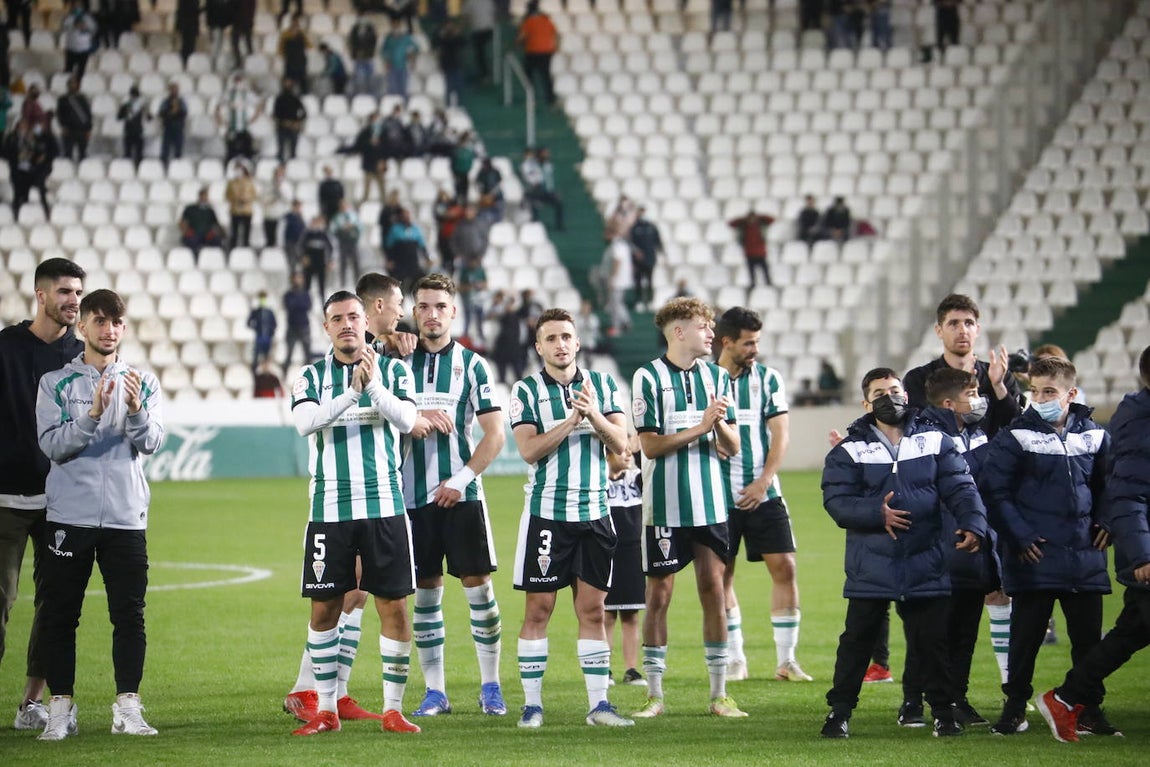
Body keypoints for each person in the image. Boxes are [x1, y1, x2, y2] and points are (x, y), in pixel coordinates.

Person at [818, 367, 987, 739]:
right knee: (857, 643)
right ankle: (840, 712)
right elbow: (836, 501)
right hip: (871, 564)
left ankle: (943, 713)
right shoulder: (850, 449)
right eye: (880, 392)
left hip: (925, 558)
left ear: (906, 395)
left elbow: (961, 487)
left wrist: (973, 522)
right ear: (866, 403)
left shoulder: (936, 440)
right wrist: (875, 513)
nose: (889, 397)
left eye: (894, 390)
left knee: (932, 642)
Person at [288, 289, 421, 736]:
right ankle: (326, 709)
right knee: (325, 610)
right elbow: (306, 422)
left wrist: (374, 387)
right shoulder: (309, 377)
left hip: (385, 507)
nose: (346, 324)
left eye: (353, 317)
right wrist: (351, 394)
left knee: (394, 608)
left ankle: (393, 710)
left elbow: (406, 420)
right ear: (326, 327)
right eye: (337, 319)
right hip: (329, 509)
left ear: (367, 322)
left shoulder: (396, 372)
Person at [35, 288, 164, 741]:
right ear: (83, 327)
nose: (109, 330)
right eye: (100, 321)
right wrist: (90, 416)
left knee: (129, 614)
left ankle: (127, 704)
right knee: (60, 614)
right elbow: (52, 446)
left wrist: (134, 411)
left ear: (123, 329)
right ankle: (61, 707)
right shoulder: (56, 383)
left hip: (127, 519)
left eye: (116, 322)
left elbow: (152, 443)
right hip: (70, 517)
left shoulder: (144, 382)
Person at [509, 308, 633, 728]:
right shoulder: (525, 390)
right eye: (552, 338)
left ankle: (599, 706)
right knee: (539, 609)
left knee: (593, 610)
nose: (560, 344)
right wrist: (571, 420)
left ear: (577, 343)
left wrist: (593, 415)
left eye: (567, 336)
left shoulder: (602, 385)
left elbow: (623, 445)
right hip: (547, 514)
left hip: (596, 512)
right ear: (539, 347)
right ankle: (532, 706)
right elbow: (529, 450)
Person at [980, 356, 1112, 736]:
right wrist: (1019, 536)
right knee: (1025, 641)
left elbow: (1112, 487)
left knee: (1089, 644)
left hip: (1085, 555)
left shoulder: (1095, 435)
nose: (1040, 398)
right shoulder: (1015, 435)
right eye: (1034, 391)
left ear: (1070, 394)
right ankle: (1015, 707)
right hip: (1034, 556)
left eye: (1049, 391)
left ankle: (1088, 710)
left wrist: (1106, 521)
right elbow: (994, 491)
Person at [630, 297, 746, 720]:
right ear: (678, 331)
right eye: (703, 326)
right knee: (658, 595)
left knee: (713, 591)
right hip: (663, 507)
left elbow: (732, 447)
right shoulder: (647, 377)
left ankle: (719, 695)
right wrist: (700, 425)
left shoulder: (717, 377)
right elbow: (650, 445)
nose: (711, 334)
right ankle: (655, 695)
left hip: (711, 504)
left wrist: (718, 426)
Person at [399, 274, 509, 718]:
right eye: (423, 306)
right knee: (426, 593)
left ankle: (491, 686)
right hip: (410, 499)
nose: (431, 314)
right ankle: (435, 691)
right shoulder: (395, 363)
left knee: (479, 589)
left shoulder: (474, 365)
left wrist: (461, 479)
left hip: (461, 496)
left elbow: (496, 434)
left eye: (439, 306)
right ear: (414, 312)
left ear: (453, 312)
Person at [1037, 345, 1150, 742]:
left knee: (1131, 632)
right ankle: (1065, 700)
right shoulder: (1140, 421)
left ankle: (1065, 700)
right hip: (1146, 553)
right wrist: (1141, 554)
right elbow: (1129, 493)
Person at [1, 258, 86, 733]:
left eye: (78, 292)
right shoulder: (7, 347)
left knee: (55, 608)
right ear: (40, 294)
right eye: (65, 292)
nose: (73, 300)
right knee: (3, 603)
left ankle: (30, 704)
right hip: (6, 500)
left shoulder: (81, 356)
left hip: (61, 504)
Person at [714, 308, 812, 684]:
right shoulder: (705, 379)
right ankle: (736, 659)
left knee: (785, 566)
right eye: (749, 342)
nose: (756, 348)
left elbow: (780, 435)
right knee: (721, 576)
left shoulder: (768, 379)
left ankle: (786, 660)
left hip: (764, 493)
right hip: (718, 497)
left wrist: (763, 482)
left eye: (757, 341)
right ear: (727, 342)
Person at [900, 367, 1000, 728]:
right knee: (929, 631)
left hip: (973, 549)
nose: (978, 402)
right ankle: (912, 699)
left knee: (964, 632)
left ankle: (957, 697)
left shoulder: (978, 435)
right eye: (972, 395)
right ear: (947, 403)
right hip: (936, 547)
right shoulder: (922, 437)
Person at [604, 435, 646, 688]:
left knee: (631, 614)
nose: (627, 456)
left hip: (633, 553)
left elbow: (650, 471)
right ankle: (604, 668)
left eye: (629, 452)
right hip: (608, 552)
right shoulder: (599, 481)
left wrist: (638, 450)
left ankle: (631, 668)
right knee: (606, 615)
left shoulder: (636, 478)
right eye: (622, 452)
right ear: (608, 455)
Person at [517, 0, 558, 107]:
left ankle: (531, 97)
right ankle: (551, 100)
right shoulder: (546, 19)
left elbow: (522, 37)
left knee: (528, 73)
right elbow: (555, 33)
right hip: (547, 51)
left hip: (534, 51)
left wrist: (517, 43)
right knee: (546, 76)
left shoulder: (528, 21)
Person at [728, 208, 776, 289]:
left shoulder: (760, 224)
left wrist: (760, 217)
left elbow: (772, 219)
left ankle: (768, 283)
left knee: (765, 270)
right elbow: (731, 224)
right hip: (749, 252)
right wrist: (743, 219)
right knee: (751, 271)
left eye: (753, 218)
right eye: (750, 218)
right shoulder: (744, 225)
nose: (752, 220)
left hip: (760, 252)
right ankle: (753, 284)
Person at [384, 208, 429, 293]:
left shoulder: (415, 229)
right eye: (404, 215)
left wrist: (427, 257)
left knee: (420, 282)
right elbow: (389, 246)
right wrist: (389, 260)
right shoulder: (395, 229)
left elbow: (421, 245)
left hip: (413, 261)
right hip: (400, 261)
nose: (406, 217)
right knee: (399, 285)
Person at [520, 147, 564, 230]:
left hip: (543, 190)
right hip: (532, 191)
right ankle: (535, 224)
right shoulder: (528, 165)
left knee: (558, 203)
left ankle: (559, 225)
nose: (547, 155)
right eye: (545, 153)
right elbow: (530, 179)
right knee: (534, 203)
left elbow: (548, 180)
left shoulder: (547, 165)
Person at [629, 207, 662, 313]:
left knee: (649, 281)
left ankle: (649, 301)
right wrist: (636, 252)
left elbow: (658, 242)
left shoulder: (652, 227)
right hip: (637, 261)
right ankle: (638, 301)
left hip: (650, 259)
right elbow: (630, 243)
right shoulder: (634, 228)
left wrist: (662, 254)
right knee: (638, 281)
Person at [178, 187, 226, 260]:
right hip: (194, 234)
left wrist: (222, 233)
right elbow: (182, 222)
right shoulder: (190, 209)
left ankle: (215, 260)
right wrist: (186, 231)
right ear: (199, 197)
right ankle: (194, 261)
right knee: (191, 242)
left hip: (207, 235)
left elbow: (216, 224)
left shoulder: (210, 211)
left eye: (205, 196)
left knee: (218, 241)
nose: (204, 198)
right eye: (202, 196)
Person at [56, 76, 92, 163]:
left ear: (77, 85)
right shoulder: (63, 99)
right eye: (71, 83)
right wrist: (63, 126)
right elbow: (60, 114)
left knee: (83, 153)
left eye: (74, 83)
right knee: (67, 154)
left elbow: (88, 114)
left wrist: (88, 129)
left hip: (82, 130)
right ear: (67, 85)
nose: (72, 85)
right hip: (69, 130)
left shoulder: (82, 98)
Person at [329, 200, 365, 288]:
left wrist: (353, 229)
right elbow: (332, 229)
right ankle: (343, 283)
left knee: (356, 262)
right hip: (343, 241)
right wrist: (342, 229)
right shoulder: (336, 217)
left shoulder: (353, 215)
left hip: (352, 241)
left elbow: (360, 226)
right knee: (343, 263)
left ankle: (357, 282)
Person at [282, 272, 313, 373]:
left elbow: (307, 307)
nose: (297, 281)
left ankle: (310, 376)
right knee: (289, 354)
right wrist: (298, 304)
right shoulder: (288, 295)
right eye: (295, 278)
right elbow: (289, 307)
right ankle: (284, 375)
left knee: (307, 354)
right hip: (292, 327)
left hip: (304, 327)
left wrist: (296, 304)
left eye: (299, 278)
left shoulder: (305, 294)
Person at [60, 0, 98, 82]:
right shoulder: (69, 17)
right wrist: (73, 25)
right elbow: (63, 26)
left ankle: (78, 87)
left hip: (84, 49)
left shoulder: (88, 17)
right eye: (75, 5)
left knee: (81, 72)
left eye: (79, 5)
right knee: (68, 72)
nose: (77, 7)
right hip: (71, 49)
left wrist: (85, 27)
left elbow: (94, 29)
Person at [380, 20, 418, 100]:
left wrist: (411, 57)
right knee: (392, 90)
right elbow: (383, 51)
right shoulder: (388, 38)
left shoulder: (406, 38)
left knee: (402, 90)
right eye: (394, 27)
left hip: (403, 67)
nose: (396, 29)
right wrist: (387, 59)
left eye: (397, 27)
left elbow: (416, 48)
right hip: (391, 68)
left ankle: (402, 107)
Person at [300, 216, 334, 304]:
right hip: (309, 263)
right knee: (307, 284)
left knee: (321, 284)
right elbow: (300, 246)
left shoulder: (323, 234)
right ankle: (305, 301)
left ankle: (323, 301)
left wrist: (330, 261)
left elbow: (330, 247)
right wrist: (303, 257)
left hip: (320, 262)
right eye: (314, 222)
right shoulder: (307, 234)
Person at [603, 234, 632, 335]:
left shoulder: (617, 246)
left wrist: (613, 278)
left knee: (615, 304)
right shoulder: (623, 245)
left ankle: (618, 325)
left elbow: (617, 261)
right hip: (622, 280)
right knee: (617, 303)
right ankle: (624, 323)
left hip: (618, 281)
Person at [273, 78, 307, 163]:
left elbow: (304, 112)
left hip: (293, 127)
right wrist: (284, 122)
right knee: (281, 151)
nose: (287, 85)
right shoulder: (279, 99)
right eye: (286, 83)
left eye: (289, 83)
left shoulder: (295, 98)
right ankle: (280, 165)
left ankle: (292, 165)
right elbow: (275, 114)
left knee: (293, 151)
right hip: (282, 126)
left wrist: (297, 122)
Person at [117, 85, 151, 169]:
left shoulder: (141, 106)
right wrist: (125, 112)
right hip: (129, 131)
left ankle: (138, 169)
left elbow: (149, 118)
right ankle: (127, 170)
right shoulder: (126, 106)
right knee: (127, 154)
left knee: (139, 154)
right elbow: (119, 116)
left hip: (137, 131)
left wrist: (145, 110)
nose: (134, 97)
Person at [225, 163, 257, 251]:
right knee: (234, 231)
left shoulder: (249, 182)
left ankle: (246, 247)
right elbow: (227, 196)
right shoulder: (231, 183)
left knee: (246, 232)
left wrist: (246, 199)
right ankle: (233, 248)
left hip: (247, 210)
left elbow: (254, 195)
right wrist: (235, 199)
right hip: (235, 210)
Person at [157, 81, 188, 169]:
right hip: (168, 128)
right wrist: (170, 113)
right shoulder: (166, 102)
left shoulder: (181, 102)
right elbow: (161, 113)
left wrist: (177, 112)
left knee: (178, 149)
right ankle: (163, 166)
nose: (174, 91)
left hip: (178, 128)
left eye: (176, 89)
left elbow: (185, 113)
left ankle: (177, 167)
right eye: (173, 89)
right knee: (165, 149)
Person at [463, 0, 496, 82]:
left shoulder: (470, 2)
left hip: (479, 30)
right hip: (488, 30)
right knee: (481, 53)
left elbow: (465, 16)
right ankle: (485, 74)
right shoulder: (488, 1)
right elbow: (493, 13)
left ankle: (484, 74)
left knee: (480, 53)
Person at [278, 14, 311, 93]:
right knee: (288, 80)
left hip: (300, 61)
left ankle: (304, 94)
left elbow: (309, 45)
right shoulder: (285, 34)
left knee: (302, 80)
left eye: (296, 23)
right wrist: (284, 55)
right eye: (294, 23)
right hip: (290, 61)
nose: (295, 25)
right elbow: (281, 48)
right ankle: (287, 94)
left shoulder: (301, 34)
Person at [348, 12, 379, 97]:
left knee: (371, 78)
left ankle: (371, 96)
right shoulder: (354, 29)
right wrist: (355, 54)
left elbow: (374, 42)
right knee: (359, 79)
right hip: (358, 58)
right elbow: (352, 42)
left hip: (368, 57)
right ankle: (360, 96)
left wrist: (368, 52)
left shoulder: (371, 29)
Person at [247, 290, 277, 373]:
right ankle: (254, 374)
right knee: (256, 357)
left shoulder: (270, 312)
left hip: (267, 337)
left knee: (266, 357)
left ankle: (265, 373)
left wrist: (271, 332)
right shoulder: (255, 312)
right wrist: (256, 327)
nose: (262, 300)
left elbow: (274, 324)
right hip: (259, 337)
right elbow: (249, 323)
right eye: (261, 298)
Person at [262, 164, 291, 248]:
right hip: (268, 214)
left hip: (280, 215)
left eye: (280, 173)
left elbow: (288, 199)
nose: (278, 175)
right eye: (277, 173)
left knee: (278, 239)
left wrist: (280, 188)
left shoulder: (286, 185)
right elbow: (263, 197)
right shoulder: (268, 184)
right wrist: (269, 201)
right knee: (269, 239)